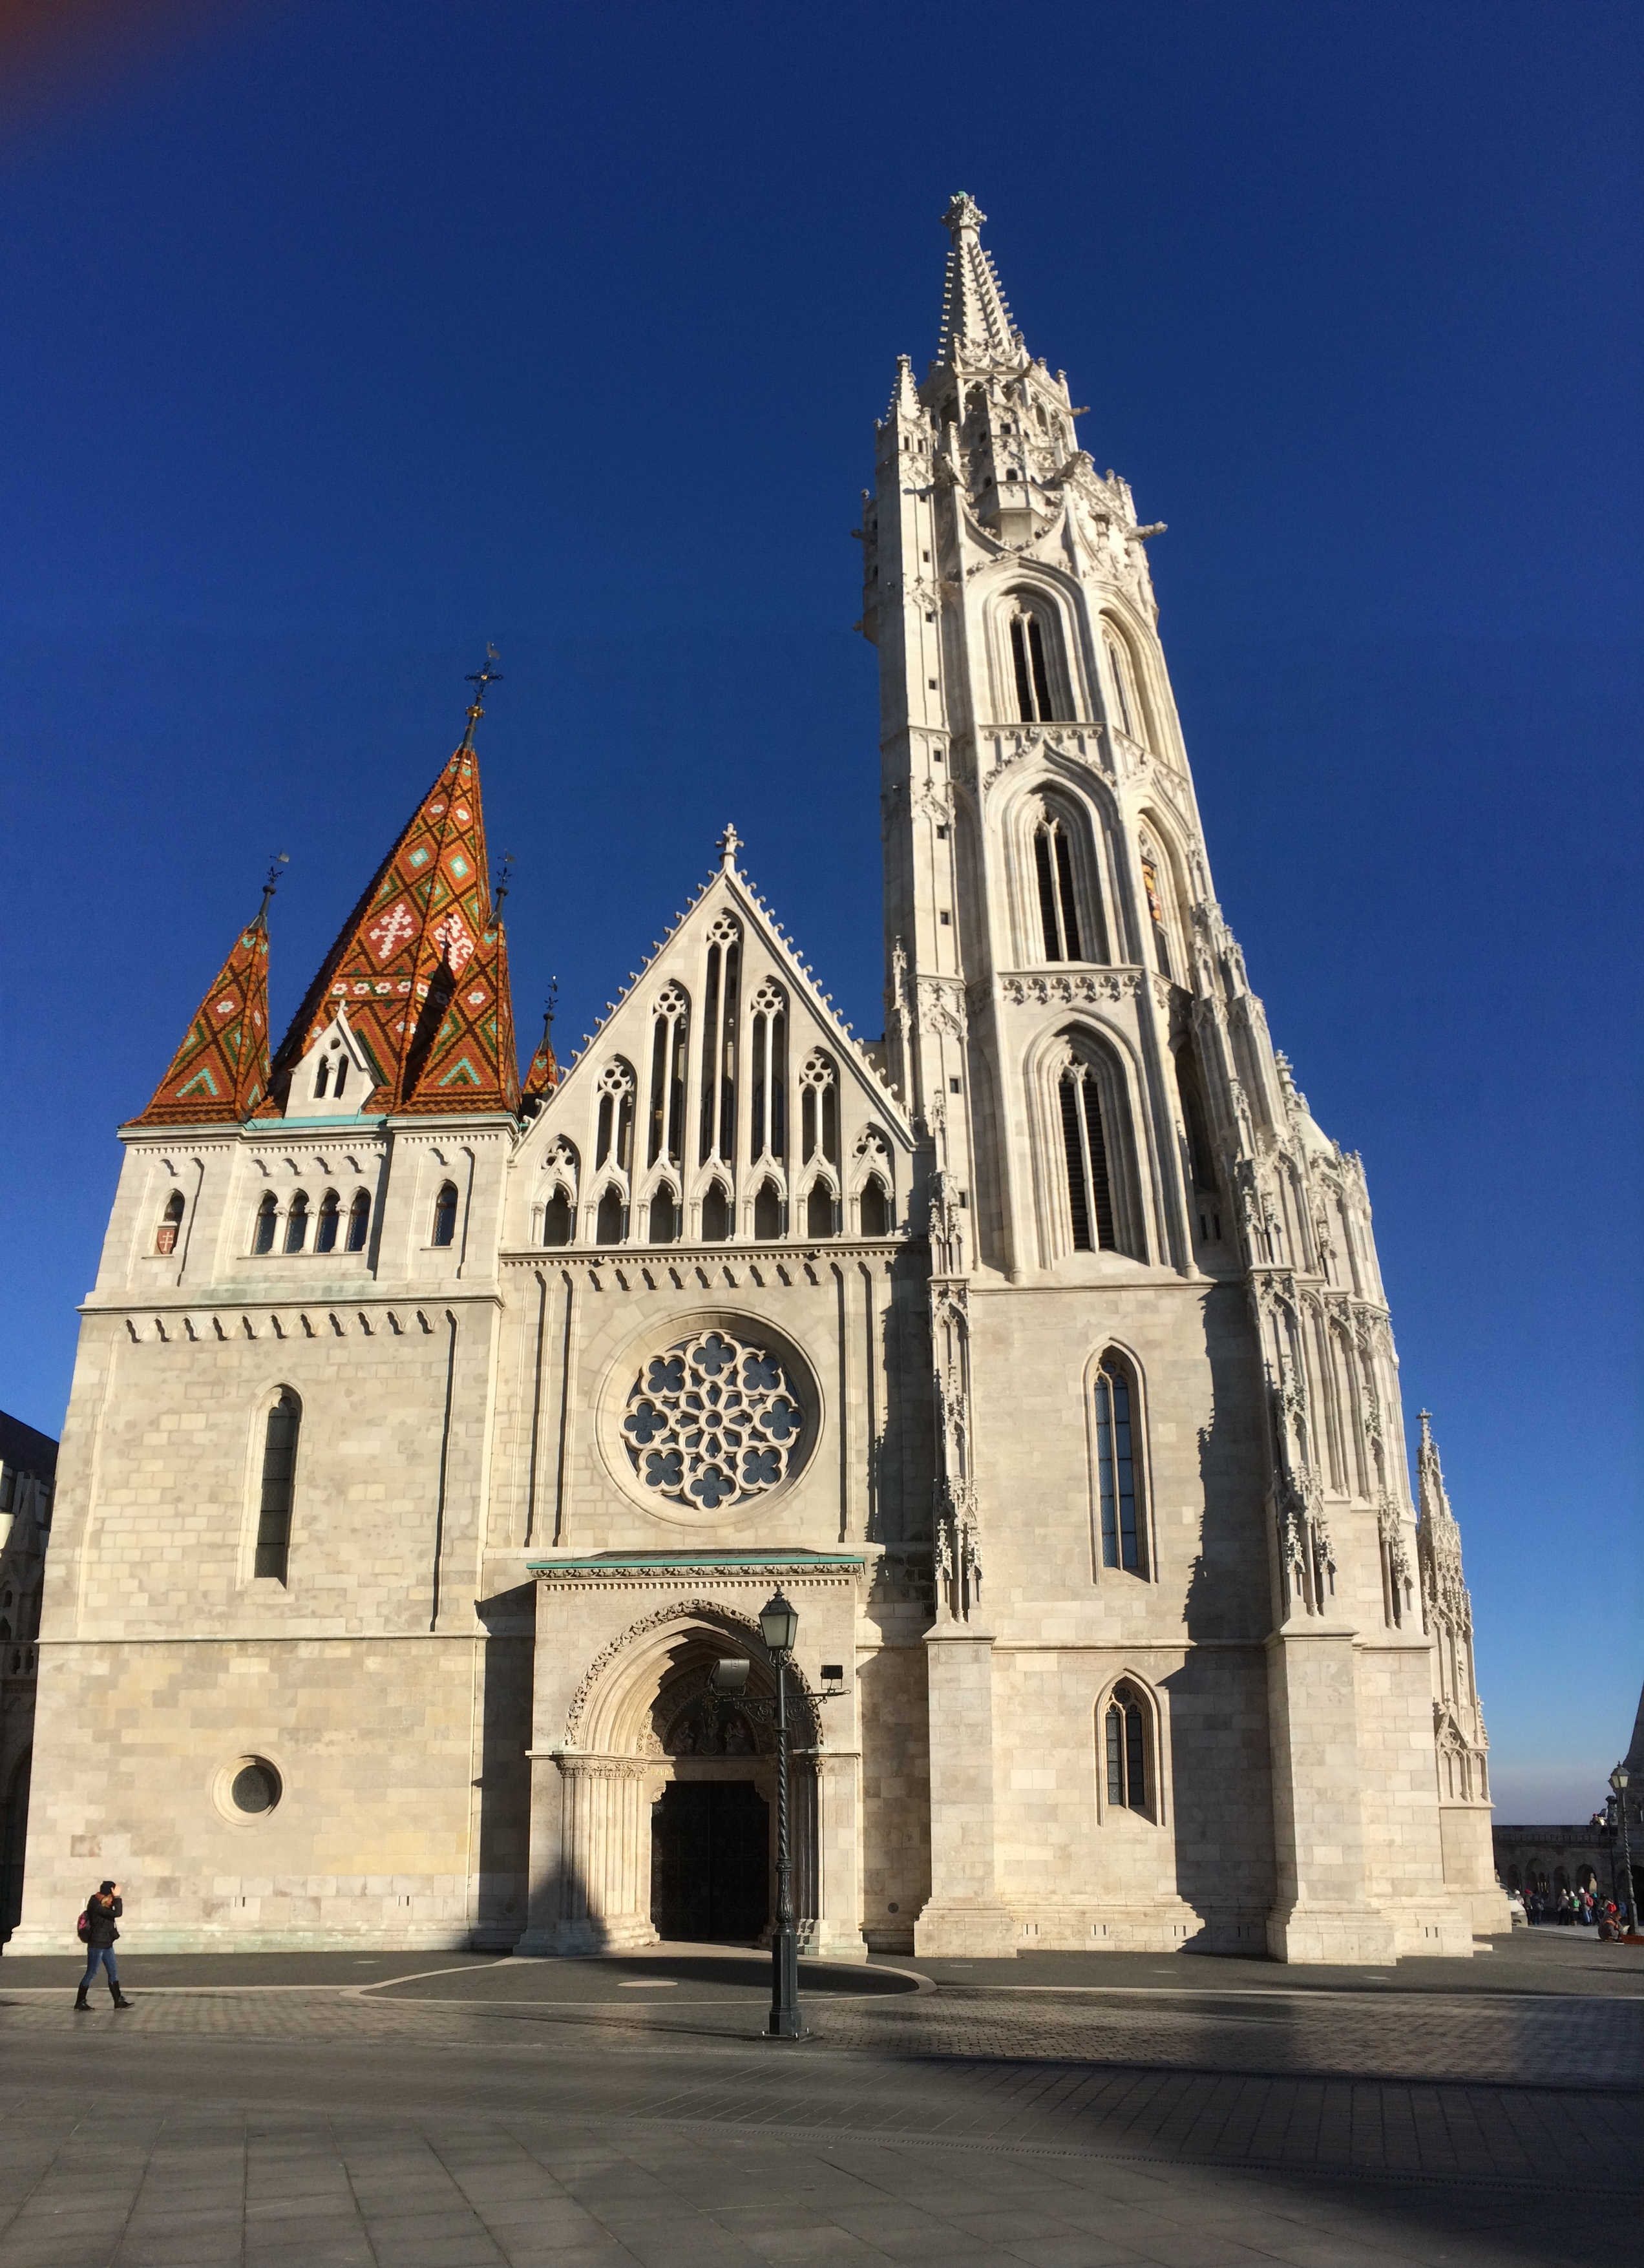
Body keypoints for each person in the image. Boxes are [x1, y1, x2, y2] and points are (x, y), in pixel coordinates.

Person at [75, 1880, 131, 2011]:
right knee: (91, 1973)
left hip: (107, 1944)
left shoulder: (107, 1903)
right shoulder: (96, 1904)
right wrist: (117, 1897)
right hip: (97, 1944)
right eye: (115, 1891)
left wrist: (115, 1898)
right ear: (110, 1892)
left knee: (113, 1972)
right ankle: (80, 2002)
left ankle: (118, 2001)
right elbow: (118, 1913)